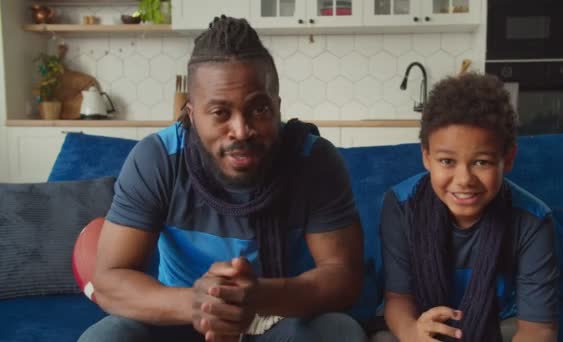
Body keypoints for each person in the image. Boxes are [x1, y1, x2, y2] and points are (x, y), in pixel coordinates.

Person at [78, 15, 367, 342]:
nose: (241, 130)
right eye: (220, 113)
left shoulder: (314, 161)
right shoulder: (158, 159)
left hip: (280, 316)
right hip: (184, 318)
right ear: (191, 113)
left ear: (278, 105)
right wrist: (200, 303)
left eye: (259, 109)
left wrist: (259, 296)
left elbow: (344, 278)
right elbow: (110, 280)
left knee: (341, 332)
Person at [375, 73, 559, 342]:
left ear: (507, 159)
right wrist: (412, 334)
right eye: (447, 161)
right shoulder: (402, 206)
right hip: (423, 321)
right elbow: (398, 298)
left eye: (481, 162)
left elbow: (538, 329)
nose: (463, 180)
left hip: (496, 323)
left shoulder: (532, 220)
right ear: (427, 157)